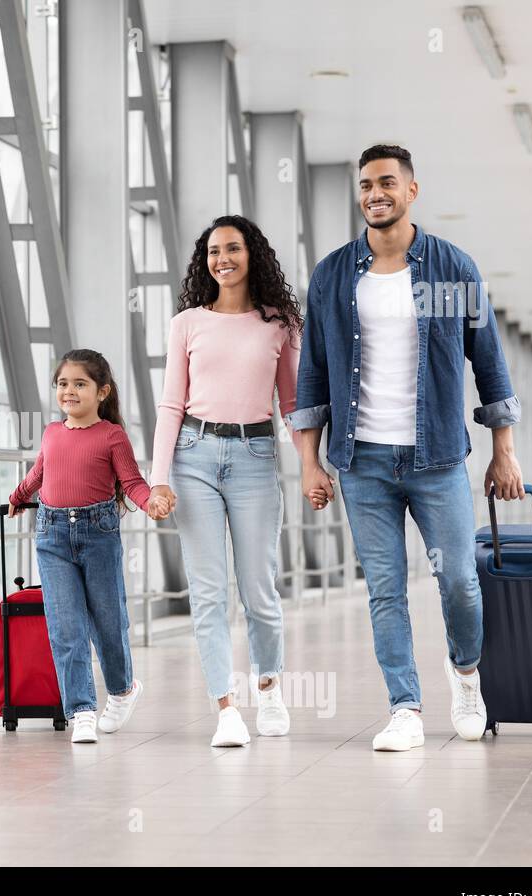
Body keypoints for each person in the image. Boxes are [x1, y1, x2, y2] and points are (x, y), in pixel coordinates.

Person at [288, 144, 525, 752]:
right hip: (362, 460)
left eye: (387, 182)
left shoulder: (453, 269)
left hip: (439, 457)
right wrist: (310, 461)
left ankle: (466, 677)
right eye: (365, 184)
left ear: (411, 190)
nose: (375, 193)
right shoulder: (335, 275)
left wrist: (505, 449)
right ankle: (405, 707)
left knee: (459, 584)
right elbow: (311, 374)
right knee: (385, 588)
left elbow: (490, 363)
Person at [146, 215, 307, 747]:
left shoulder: (279, 322)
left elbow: (292, 404)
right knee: (210, 592)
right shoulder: (187, 322)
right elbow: (171, 403)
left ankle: (269, 687)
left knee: (259, 589)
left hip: (256, 455)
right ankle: (225, 710)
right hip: (193, 457)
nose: (223, 259)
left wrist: (311, 463)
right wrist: (158, 479)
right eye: (214, 251)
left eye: (233, 249)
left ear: (251, 255)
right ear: (204, 260)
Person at [8, 349, 151, 744]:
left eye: (79, 384)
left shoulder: (112, 436)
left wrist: (149, 501)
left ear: (102, 391)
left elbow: (133, 482)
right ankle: (82, 710)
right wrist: (19, 495)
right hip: (52, 537)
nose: (68, 391)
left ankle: (123, 689)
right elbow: (41, 470)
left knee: (109, 622)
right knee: (66, 627)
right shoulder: (52, 432)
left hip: (98, 535)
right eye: (62, 384)